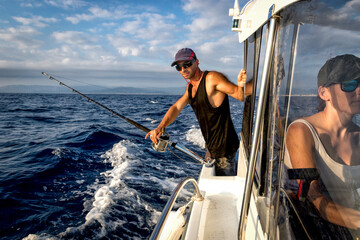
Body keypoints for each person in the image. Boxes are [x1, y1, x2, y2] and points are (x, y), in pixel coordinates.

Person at [145, 48, 252, 176]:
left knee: (225, 191)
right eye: (179, 67)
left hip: (224, 150)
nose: (183, 69)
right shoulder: (190, 87)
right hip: (212, 148)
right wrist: (160, 127)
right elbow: (176, 107)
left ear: (197, 62)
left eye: (187, 64)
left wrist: (241, 85)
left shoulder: (211, 79)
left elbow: (240, 95)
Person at [285, 54, 360, 232]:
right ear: (324, 93)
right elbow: (313, 197)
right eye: (349, 84)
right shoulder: (301, 131)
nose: (359, 90)